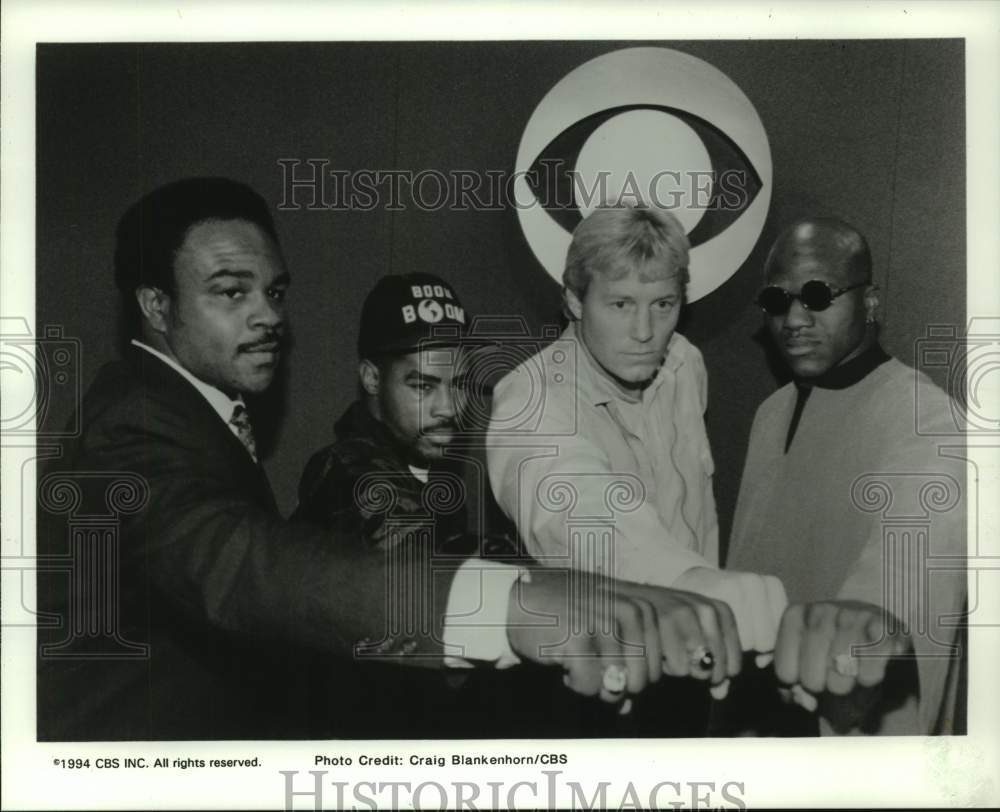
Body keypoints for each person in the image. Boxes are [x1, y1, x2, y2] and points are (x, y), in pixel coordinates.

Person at [35, 178, 744, 741]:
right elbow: (245, 567)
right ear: (155, 304)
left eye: (274, 292)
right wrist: (518, 600)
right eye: (230, 292)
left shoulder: (197, 414)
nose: (268, 316)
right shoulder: (131, 428)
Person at [487, 204, 787, 666]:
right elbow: (580, 512)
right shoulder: (529, 399)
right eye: (621, 304)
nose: (645, 332)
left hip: (699, 649)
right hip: (596, 669)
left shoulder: (684, 365)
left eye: (663, 305)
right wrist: (687, 579)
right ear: (573, 300)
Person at [726, 217, 967, 735]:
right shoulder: (771, 413)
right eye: (776, 300)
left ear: (871, 303)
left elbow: (904, 599)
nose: (793, 318)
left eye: (817, 295)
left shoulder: (929, 422)